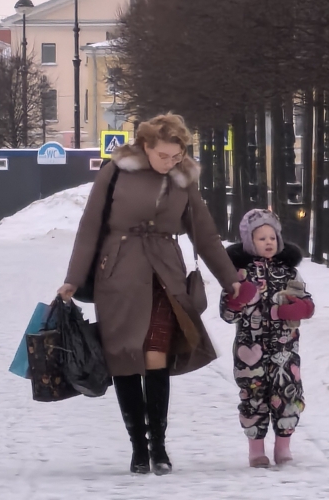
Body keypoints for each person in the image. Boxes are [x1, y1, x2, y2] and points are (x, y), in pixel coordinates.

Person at [59, 113, 240, 475]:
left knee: (156, 354)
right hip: (119, 274)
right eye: (164, 156)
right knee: (125, 357)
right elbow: (90, 225)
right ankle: (138, 447)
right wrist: (73, 279)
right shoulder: (117, 171)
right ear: (146, 146)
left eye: (177, 156)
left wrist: (229, 278)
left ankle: (158, 444)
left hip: (164, 276)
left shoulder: (183, 177)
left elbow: (203, 233)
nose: (170, 162)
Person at [219, 207, 315, 468]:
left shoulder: (289, 272)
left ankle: (283, 447)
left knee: (287, 396)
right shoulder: (239, 275)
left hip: (285, 349)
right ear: (250, 241)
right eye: (261, 238)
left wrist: (300, 308)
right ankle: (256, 450)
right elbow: (227, 314)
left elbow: (306, 302)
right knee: (253, 397)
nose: (268, 242)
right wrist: (237, 300)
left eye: (272, 237)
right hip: (249, 350)